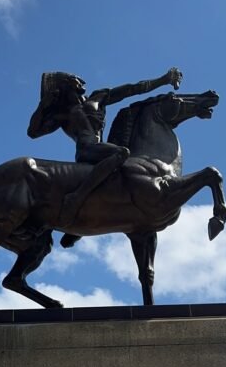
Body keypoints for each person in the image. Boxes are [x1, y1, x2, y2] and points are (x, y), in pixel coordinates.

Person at [27, 67, 182, 245]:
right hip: (87, 149)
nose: (79, 80)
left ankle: (84, 219)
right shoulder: (63, 113)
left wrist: (163, 80)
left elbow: (133, 88)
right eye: (73, 79)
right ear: (64, 86)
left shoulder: (99, 97)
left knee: (130, 164)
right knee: (122, 152)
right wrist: (43, 105)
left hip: (102, 147)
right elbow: (33, 132)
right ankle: (76, 197)